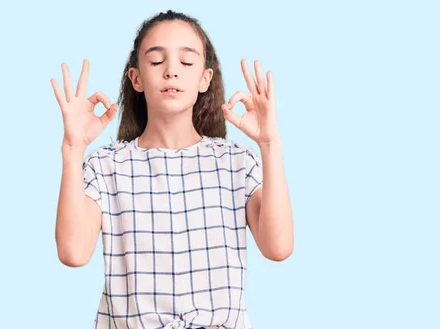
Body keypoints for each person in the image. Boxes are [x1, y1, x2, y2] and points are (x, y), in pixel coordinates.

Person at [51, 9, 293, 329]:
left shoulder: (237, 162)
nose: (171, 72)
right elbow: (73, 252)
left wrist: (270, 144)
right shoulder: (106, 165)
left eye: (187, 62)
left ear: (204, 78)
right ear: (136, 78)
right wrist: (73, 148)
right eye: (155, 61)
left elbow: (278, 247)